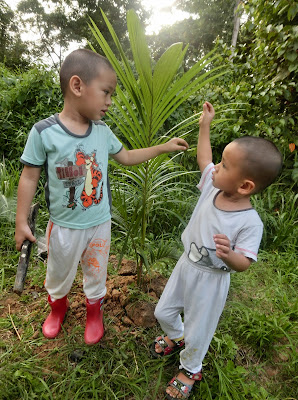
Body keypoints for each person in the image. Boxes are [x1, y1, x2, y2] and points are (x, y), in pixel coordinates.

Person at [15, 49, 189, 345]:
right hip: (64, 226)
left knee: (96, 273)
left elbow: (128, 156)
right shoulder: (44, 132)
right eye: (106, 92)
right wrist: (21, 220)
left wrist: (161, 147)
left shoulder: (102, 132)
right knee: (58, 275)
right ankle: (58, 309)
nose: (110, 102)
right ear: (77, 86)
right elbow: (29, 176)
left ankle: (94, 312)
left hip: (99, 224)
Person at [150, 101, 283, 400]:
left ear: (245, 186)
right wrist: (204, 125)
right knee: (163, 311)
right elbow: (204, 159)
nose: (216, 168)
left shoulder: (250, 222)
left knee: (200, 328)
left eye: (224, 165)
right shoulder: (214, 187)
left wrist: (229, 255)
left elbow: (245, 262)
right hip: (186, 265)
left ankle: (190, 368)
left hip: (211, 279)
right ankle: (176, 336)